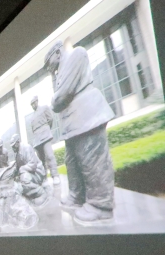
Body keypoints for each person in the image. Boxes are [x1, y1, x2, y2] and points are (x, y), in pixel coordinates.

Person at [45, 40, 115, 224]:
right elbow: (57, 100)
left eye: (48, 62)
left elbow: (62, 96)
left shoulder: (77, 54)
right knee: (72, 162)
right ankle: (77, 196)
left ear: (57, 52)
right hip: (74, 122)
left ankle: (100, 206)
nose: (47, 67)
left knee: (93, 160)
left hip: (87, 114)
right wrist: (53, 77)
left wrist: (55, 100)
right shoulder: (59, 72)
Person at [29, 96, 60, 185]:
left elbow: (50, 119)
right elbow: (33, 129)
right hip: (37, 139)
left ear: (37, 101)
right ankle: (44, 178)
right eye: (31, 104)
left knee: (50, 156)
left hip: (45, 135)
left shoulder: (44, 108)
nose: (33, 105)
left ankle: (55, 175)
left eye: (34, 103)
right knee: (41, 161)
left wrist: (46, 129)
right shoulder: (32, 117)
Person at [11, 134, 48, 205]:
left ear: (18, 142)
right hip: (29, 174)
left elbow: (33, 165)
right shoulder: (16, 153)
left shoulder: (27, 148)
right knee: (17, 184)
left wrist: (22, 169)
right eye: (12, 146)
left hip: (37, 173)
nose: (13, 148)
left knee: (24, 178)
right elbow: (17, 167)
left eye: (13, 145)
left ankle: (41, 193)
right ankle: (29, 196)